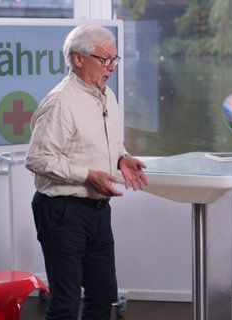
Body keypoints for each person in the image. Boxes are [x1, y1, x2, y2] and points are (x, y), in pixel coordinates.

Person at [25, 24, 149, 320]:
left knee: (103, 296)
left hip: (97, 210)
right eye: (104, 59)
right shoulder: (61, 102)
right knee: (65, 302)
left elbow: (105, 142)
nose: (112, 67)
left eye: (114, 60)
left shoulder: (106, 95)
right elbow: (37, 158)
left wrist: (122, 158)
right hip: (62, 210)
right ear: (78, 59)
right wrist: (87, 175)